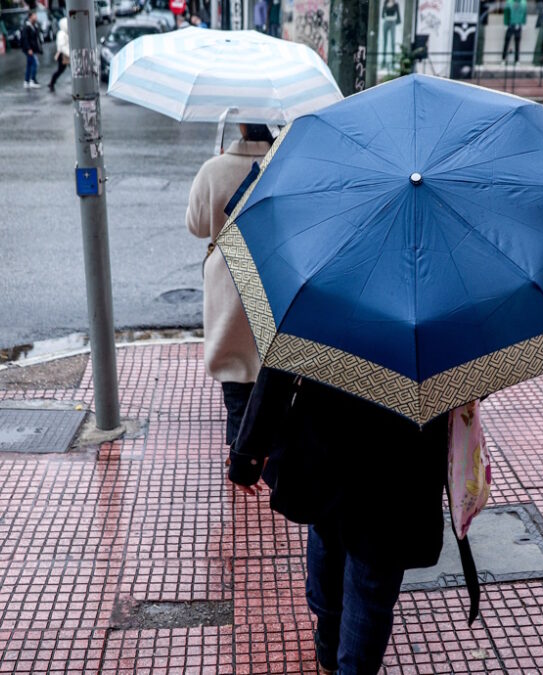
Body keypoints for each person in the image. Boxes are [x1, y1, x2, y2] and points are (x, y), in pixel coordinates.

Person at [228, 369, 450, 675]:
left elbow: (282, 363)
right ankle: (342, 656)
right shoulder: (448, 320)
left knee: (327, 526)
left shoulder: (320, 317)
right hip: (407, 448)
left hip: (328, 429)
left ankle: (329, 642)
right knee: (375, 568)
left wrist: (249, 451)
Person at [185, 123, 274, 459]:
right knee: (272, 379)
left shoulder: (214, 169)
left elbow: (196, 226)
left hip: (227, 276)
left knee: (236, 380)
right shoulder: (286, 162)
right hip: (275, 274)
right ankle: (271, 458)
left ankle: (240, 456)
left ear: (239, 126)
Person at [22, 10, 42, 88]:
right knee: (34, 63)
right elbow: (25, 39)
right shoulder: (27, 27)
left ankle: (26, 81)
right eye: (34, 15)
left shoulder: (34, 26)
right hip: (29, 50)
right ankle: (32, 80)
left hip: (33, 49)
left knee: (29, 65)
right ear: (30, 17)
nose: (36, 17)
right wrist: (28, 49)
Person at [48, 16, 68, 92]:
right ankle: (52, 82)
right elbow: (62, 46)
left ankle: (52, 82)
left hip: (65, 54)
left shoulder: (64, 33)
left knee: (61, 70)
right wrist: (69, 53)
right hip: (63, 55)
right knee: (60, 70)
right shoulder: (61, 34)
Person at [380, 0, 400, 68]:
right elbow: (382, 14)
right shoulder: (385, 3)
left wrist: (396, 21)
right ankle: (384, 61)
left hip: (392, 22)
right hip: (386, 22)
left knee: (392, 42)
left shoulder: (396, 4)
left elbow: (398, 15)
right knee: (385, 42)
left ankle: (393, 62)